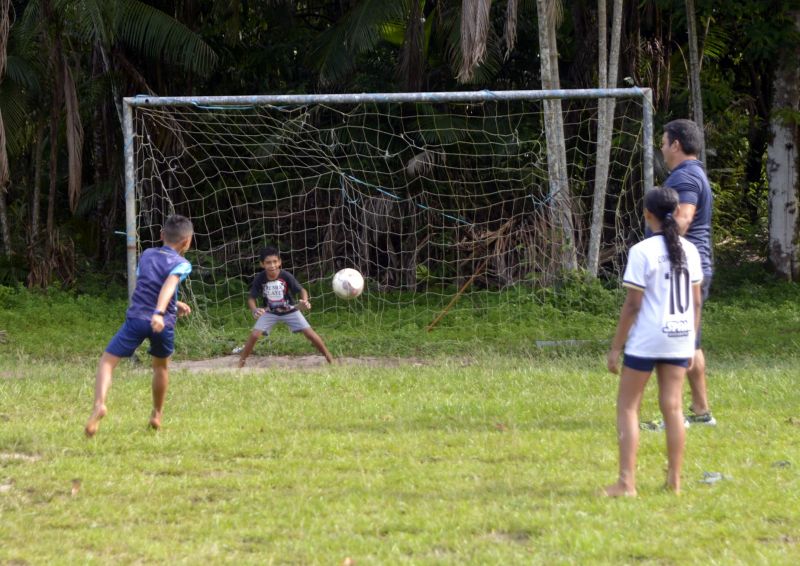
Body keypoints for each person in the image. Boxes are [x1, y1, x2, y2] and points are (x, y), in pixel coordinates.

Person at [605, 187, 703, 496]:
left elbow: (633, 305)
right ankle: (674, 481)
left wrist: (615, 348)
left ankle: (626, 483)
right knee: (673, 409)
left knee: (628, 407)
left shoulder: (642, 251)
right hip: (679, 336)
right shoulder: (690, 250)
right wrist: (690, 343)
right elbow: (696, 303)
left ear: (648, 215)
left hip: (647, 339)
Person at [85, 214, 194, 437]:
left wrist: (175, 303)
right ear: (187, 242)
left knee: (107, 362)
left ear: (162, 235)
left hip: (136, 319)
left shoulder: (146, 255)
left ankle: (99, 404)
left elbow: (151, 284)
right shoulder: (182, 263)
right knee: (160, 367)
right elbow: (168, 285)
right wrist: (160, 313)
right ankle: (156, 414)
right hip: (162, 323)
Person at [660, 119, 716, 426]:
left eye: (664, 140)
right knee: (689, 340)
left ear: (676, 144)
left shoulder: (685, 178)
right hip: (691, 267)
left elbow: (683, 218)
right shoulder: (692, 173)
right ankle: (700, 411)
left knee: (677, 340)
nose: (661, 146)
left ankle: (676, 415)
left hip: (683, 269)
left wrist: (658, 248)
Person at [238, 246, 333, 367]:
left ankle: (330, 359)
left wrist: (304, 301)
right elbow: (251, 298)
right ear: (262, 264)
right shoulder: (260, 278)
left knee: (310, 334)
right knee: (254, 335)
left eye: (275, 261)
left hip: (290, 310)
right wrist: (254, 309)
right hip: (269, 312)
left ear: (279, 262)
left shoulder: (286, 275)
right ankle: (240, 363)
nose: (272, 265)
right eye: (268, 262)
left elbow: (302, 290)